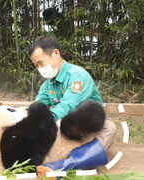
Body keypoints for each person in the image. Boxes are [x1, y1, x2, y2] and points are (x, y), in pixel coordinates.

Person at [29, 36, 117, 176]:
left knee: (109, 128)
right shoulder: (47, 85)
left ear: (55, 54)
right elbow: (38, 106)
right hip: (62, 129)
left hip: (85, 129)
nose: (40, 68)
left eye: (41, 63)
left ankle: (62, 166)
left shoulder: (78, 76)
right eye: (36, 65)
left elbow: (67, 106)